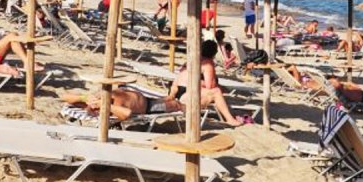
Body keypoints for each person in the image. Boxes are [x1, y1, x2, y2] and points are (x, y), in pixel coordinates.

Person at [62, 40, 243, 125]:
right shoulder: (109, 107)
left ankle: (183, 101)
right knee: (181, 106)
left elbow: (64, 97)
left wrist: (85, 97)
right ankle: (224, 117)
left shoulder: (91, 98)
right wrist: (103, 105)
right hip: (150, 107)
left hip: (152, 96)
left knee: (173, 99)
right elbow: (127, 114)